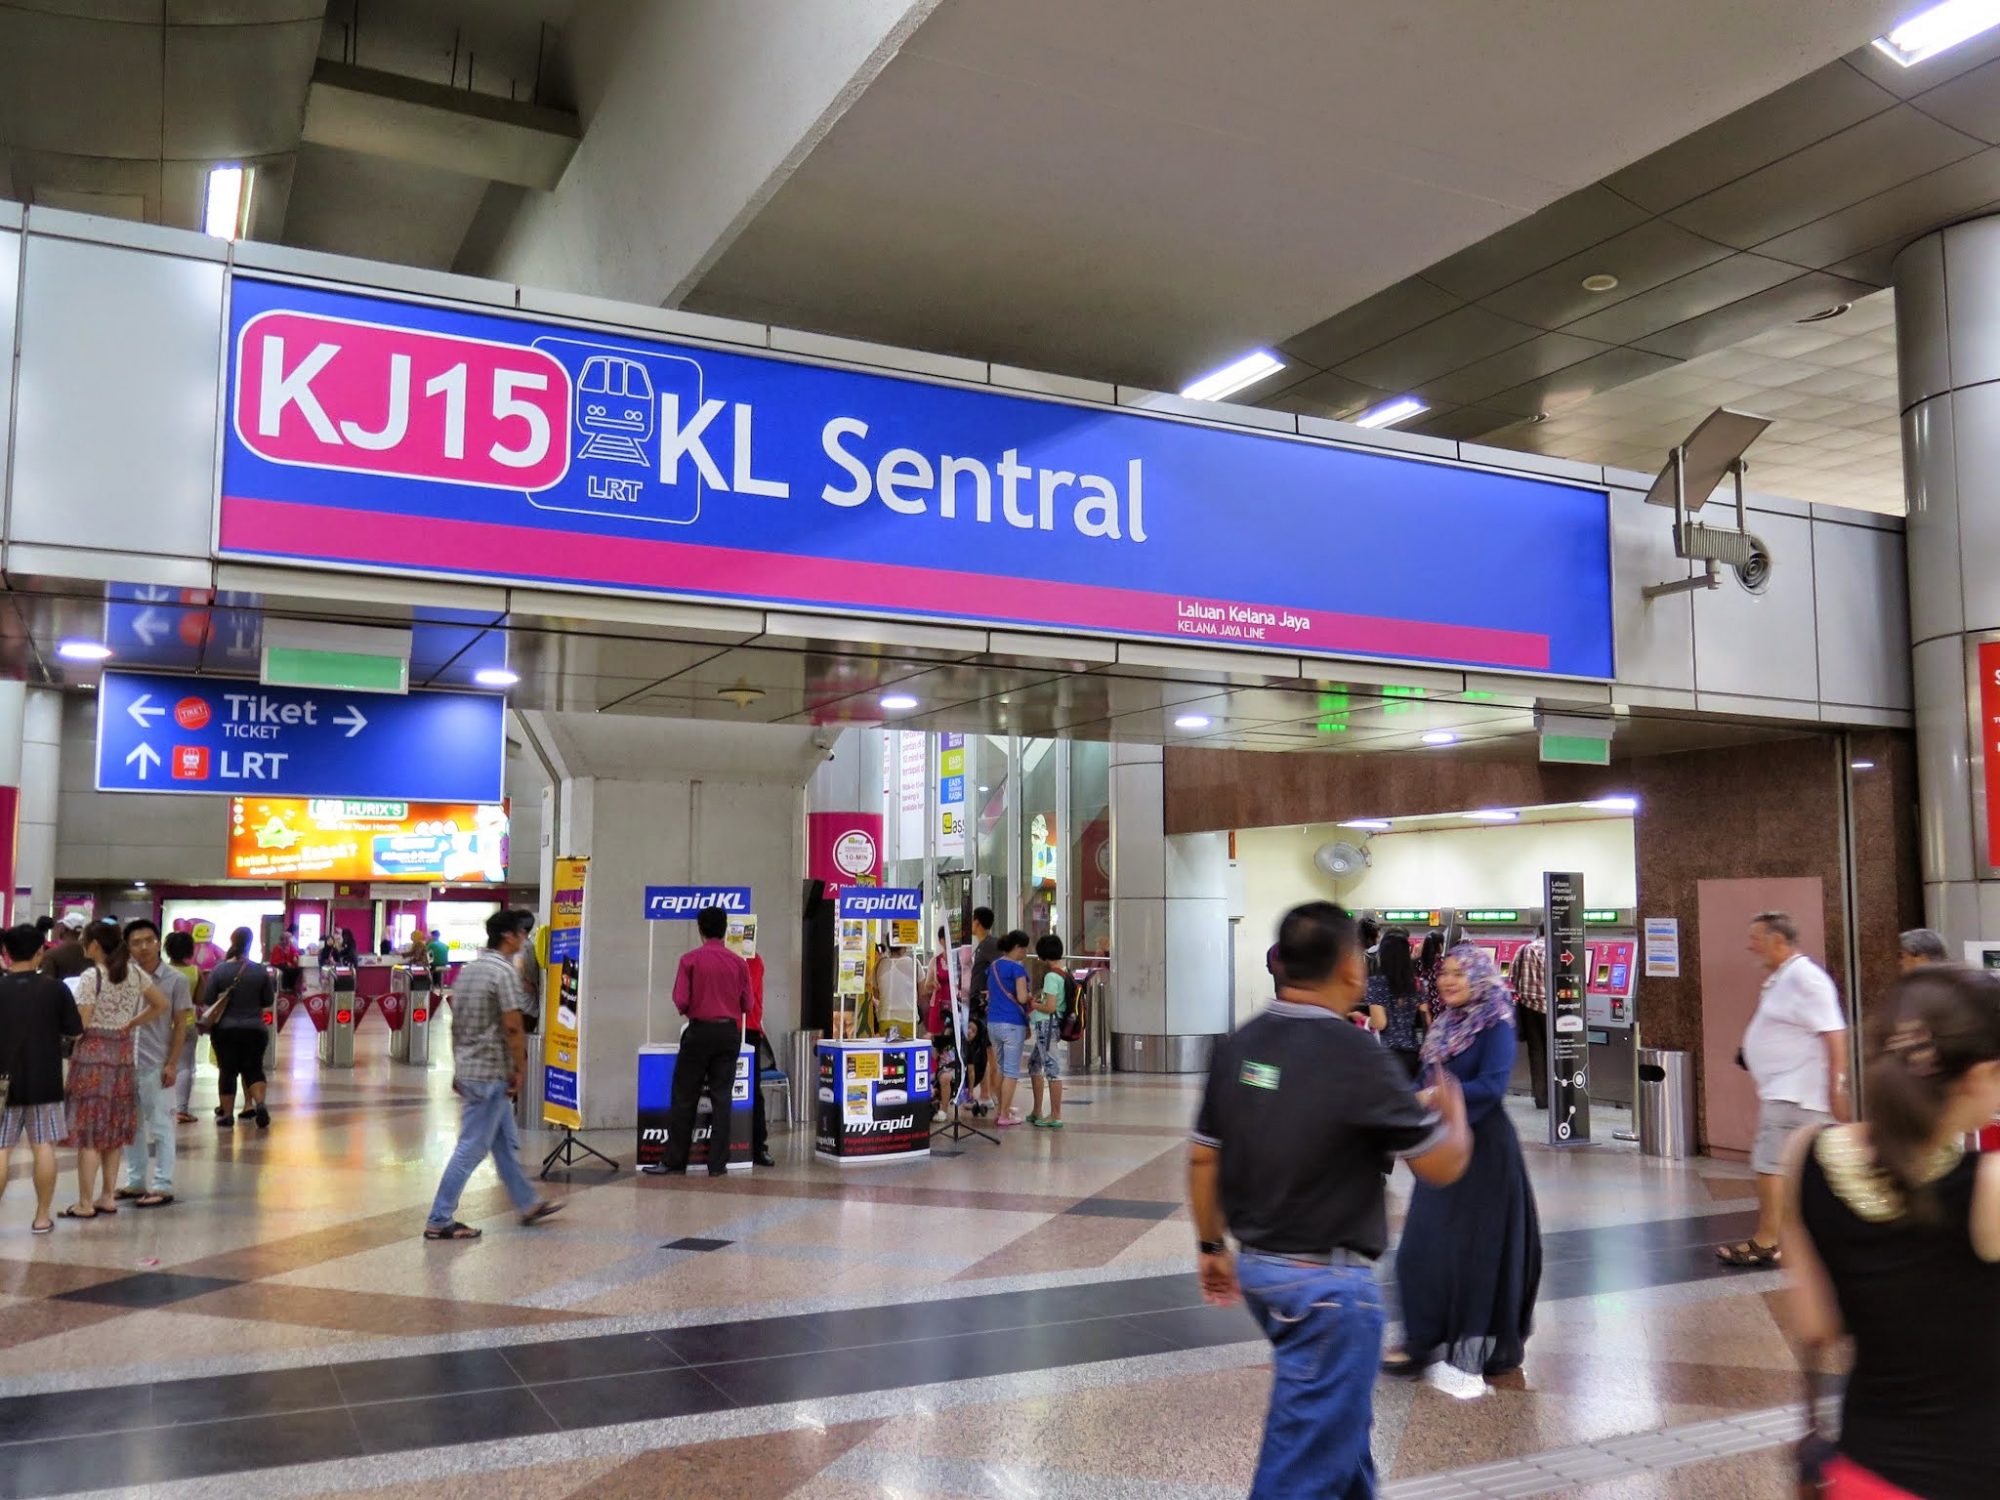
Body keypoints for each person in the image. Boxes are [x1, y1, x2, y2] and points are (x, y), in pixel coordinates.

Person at [1189, 902, 1470, 1499]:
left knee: (1340, 1437)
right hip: (1327, 1290)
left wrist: (1211, 1246)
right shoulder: (1356, 1052)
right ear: (1349, 966)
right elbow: (1441, 1165)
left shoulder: (1239, 1045)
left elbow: (1203, 1157)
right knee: (1302, 1466)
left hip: (1262, 1271)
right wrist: (1456, 1114)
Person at [1783, 965, 2000, 1499]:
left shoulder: (1804, 1154)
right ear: (1980, 1075)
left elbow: (1817, 1325)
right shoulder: (1989, 1185)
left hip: (1863, 1473)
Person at [1387, 944, 1543, 1380]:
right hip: (1442, 1148)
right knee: (1420, 1246)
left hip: (1485, 1151)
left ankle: (1484, 1341)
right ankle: (1421, 1337)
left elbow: (1492, 1086)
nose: (1448, 981)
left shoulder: (1496, 1022)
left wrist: (1436, 1095)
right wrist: (1410, 1097)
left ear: (1479, 976)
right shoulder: (1445, 1025)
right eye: (1444, 973)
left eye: (1459, 973)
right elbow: (1424, 1079)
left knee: (1481, 1249)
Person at [1718, 911, 1852, 1268]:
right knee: (1800, 1169)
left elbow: (1834, 1033)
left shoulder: (1806, 978)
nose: (1750, 946)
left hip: (1796, 1093)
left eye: (1756, 938)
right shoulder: (1785, 978)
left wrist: (1838, 1086)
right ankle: (1805, 1236)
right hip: (1787, 1092)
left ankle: (1767, 1240)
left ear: (1778, 940)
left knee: (1771, 1165)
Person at [424, 910, 564, 1239]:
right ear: (508, 936)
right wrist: (520, 1068)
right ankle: (439, 1218)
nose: (525, 940)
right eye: (521, 934)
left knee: (503, 1145)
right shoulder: (503, 973)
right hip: (490, 1073)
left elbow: (457, 1024)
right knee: (471, 1148)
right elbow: (513, 1027)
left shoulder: (469, 971)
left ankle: (528, 1203)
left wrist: (459, 1067)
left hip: (472, 1069)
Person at [63, 919, 169, 1220]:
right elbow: (160, 1004)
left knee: (89, 1132)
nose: (83, 946)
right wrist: (132, 1022)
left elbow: (82, 1024)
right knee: (112, 1128)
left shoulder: (91, 976)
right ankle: (107, 1196)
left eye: (85, 941)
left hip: (92, 1056)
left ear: (95, 945)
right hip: (122, 1055)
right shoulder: (135, 973)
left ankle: (85, 1202)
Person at [0, 923, 83, 1234]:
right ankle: (42, 1216)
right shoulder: (55, 989)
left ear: (6, 953)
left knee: (1, 1149)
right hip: (44, 1078)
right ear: (39, 953)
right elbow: (75, 1030)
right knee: (43, 1146)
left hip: (2, 1082)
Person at [659, 905, 751, 1176]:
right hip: (729, 1034)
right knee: (722, 1099)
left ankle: (675, 1161)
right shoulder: (739, 963)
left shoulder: (689, 960)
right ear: (725, 931)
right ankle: (717, 1164)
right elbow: (747, 1004)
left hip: (699, 1033)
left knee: (685, 1096)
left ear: (700, 930)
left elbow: (681, 1000)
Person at [115, 919, 193, 1208]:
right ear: (128, 947)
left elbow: (180, 1025)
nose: (144, 947)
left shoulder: (175, 980)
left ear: (159, 942)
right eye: (136, 942)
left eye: (149, 940)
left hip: (155, 1062)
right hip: (124, 1063)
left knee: (161, 1125)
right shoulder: (122, 977)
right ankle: (135, 1181)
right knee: (130, 1125)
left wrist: (172, 1064)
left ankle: (163, 1184)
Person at [204, 928, 275, 1131]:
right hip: (255, 1029)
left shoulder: (219, 970)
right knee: (254, 1069)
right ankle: (259, 1104)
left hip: (225, 1030)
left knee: (228, 1071)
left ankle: (227, 1115)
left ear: (231, 941)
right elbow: (268, 1000)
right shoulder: (259, 971)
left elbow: (208, 999)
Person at [986, 930, 1033, 1127]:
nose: (1025, 952)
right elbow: (1021, 998)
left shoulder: (993, 966)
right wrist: (1030, 997)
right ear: (1017, 948)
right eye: (1024, 948)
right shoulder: (1017, 969)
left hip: (993, 1023)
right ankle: (1004, 1114)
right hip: (1012, 1023)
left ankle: (1000, 1109)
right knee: (1012, 1071)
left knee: (1000, 1068)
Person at [1026, 933, 1071, 1129]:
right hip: (1052, 1024)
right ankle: (1037, 1110)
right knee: (1034, 1064)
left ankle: (1055, 1115)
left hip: (1047, 1024)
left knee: (1052, 1069)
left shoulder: (1052, 976)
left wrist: (1034, 1004)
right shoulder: (1063, 972)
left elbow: (1051, 1007)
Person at [1373, 928, 1428, 1079]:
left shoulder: (1377, 983)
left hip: (1389, 1055)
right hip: (1415, 1053)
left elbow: (1380, 1023)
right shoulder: (1418, 983)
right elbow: (1425, 1017)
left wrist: (1365, 1019)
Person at [742, 923, 775, 1168]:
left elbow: (748, 997)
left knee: (752, 1090)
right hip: (729, 1028)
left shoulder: (753, 960)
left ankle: (758, 1147)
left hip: (749, 1029)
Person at [1508, 924, 1550, 1110]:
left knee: (1536, 1052)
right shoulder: (1555, 950)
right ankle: (1556, 1094)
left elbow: (1512, 976)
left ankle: (1541, 1098)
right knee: (1554, 1051)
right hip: (1549, 1008)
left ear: (1538, 932)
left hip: (1528, 1007)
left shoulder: (1523, 949)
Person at [165, 929, 203, 1123]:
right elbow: (200, 999)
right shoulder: (195, 972)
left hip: (162, 1024)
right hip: (187, 1023)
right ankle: (181, 1110)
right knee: (185, 1067)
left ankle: (160, 1108)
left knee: (160, 1065)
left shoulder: (161, 971)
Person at [966, 907, 999, 1112]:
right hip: (977, 1003)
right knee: (982, 1050)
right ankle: (987, 1093)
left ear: (977, 922)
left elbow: (1001, 968)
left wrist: (991, 993)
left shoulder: (991, 945)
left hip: (983, 1005)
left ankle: (991, 1094)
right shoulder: (981, 946)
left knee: (988, 1051)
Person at [268, 924, 301, 997]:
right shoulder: (277, 947)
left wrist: (295, 956)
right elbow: (276, 959)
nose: (291, 940)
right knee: (286, 970)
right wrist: (286, 962)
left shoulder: (290, 946)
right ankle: (285, 988)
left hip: (287, 964)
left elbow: (295, 952)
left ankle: (291, 987)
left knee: (296, 970)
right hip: (278, 964)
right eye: (289, 938)